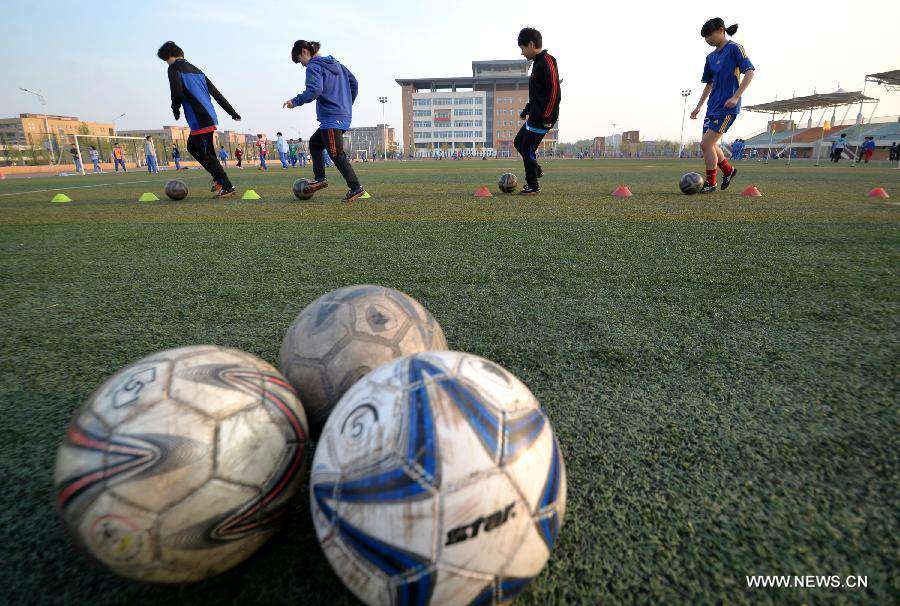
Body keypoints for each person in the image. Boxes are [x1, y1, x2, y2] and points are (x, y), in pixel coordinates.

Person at [283, 39, 365, 202]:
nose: (303, 66)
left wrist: (295, 101)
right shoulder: (337, 64)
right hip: (341, 115)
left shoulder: (314, 65)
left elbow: (315, 89)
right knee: (315, 143)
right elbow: (354, 83)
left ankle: (355, 188)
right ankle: (320, 179)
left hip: (331, 117)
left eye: (301, 61)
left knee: (336, 153)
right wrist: (346, 104)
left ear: (305, 53)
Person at [157, 40, 240, 198]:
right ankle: (219, 180)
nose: (167, 64)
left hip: (199, 117)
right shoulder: (197, 70)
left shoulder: (174, 68)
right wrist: (232, 112)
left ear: (170, 56)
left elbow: (176, 92)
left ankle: (227, 185)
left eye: (166, 61)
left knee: (199, 150)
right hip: (209, 116)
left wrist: (175, 109)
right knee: (203, 151)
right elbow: (216, 93)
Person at [689, 19, 754, 193]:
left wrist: (736, 96)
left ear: (721, 30)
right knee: (710, 145)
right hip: (712, 107)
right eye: (705, 37)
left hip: (727, 107)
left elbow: (750, 72)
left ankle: (711, 183)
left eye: (710, 35)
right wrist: (699, 106)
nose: (708, 39)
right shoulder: (710, 58)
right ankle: (728, 170)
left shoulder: (734, 48)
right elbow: (709, 84)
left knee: (706, 144)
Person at [514, 27, 560, 195]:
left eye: (522, 48)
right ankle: (536, 169)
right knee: (518, 142)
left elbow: (554, 91)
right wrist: (526, 109)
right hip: (535, 114)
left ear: (531, 45)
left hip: (544, 116)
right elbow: (537, 93)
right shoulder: (537, 64)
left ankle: (533, 185)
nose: (522, 53)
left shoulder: (547, 61)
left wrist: (547, 116)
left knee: (527, 149)